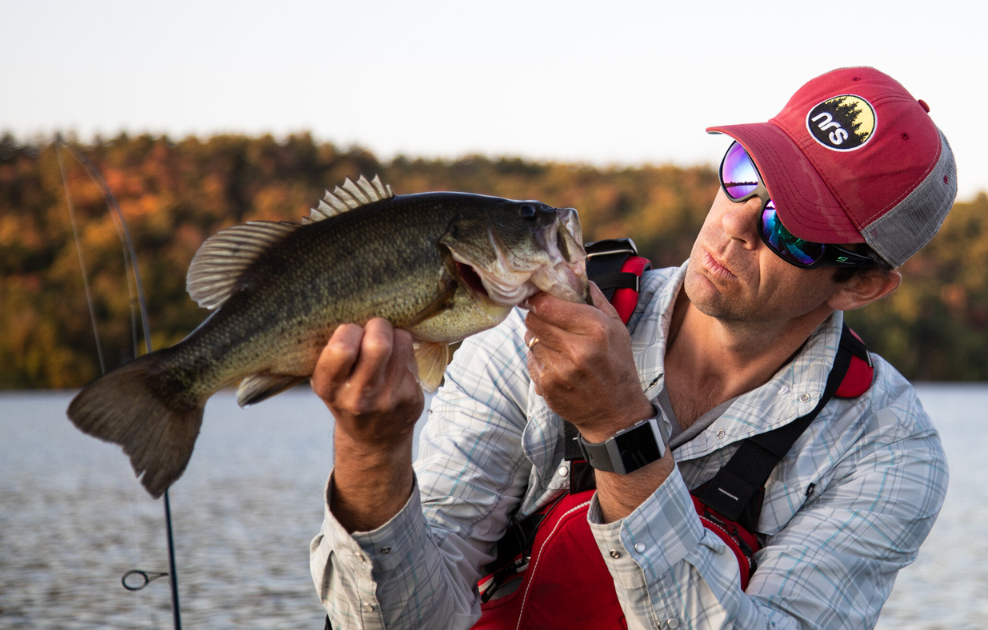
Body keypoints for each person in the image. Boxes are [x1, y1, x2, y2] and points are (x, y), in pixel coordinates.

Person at [309, 66, 955, 629]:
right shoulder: (533, 325)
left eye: (790, 226)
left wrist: (620, 429)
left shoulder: (888, 449)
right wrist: (370, 454)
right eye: (743, 173)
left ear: (862, 284)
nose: (734, 223)